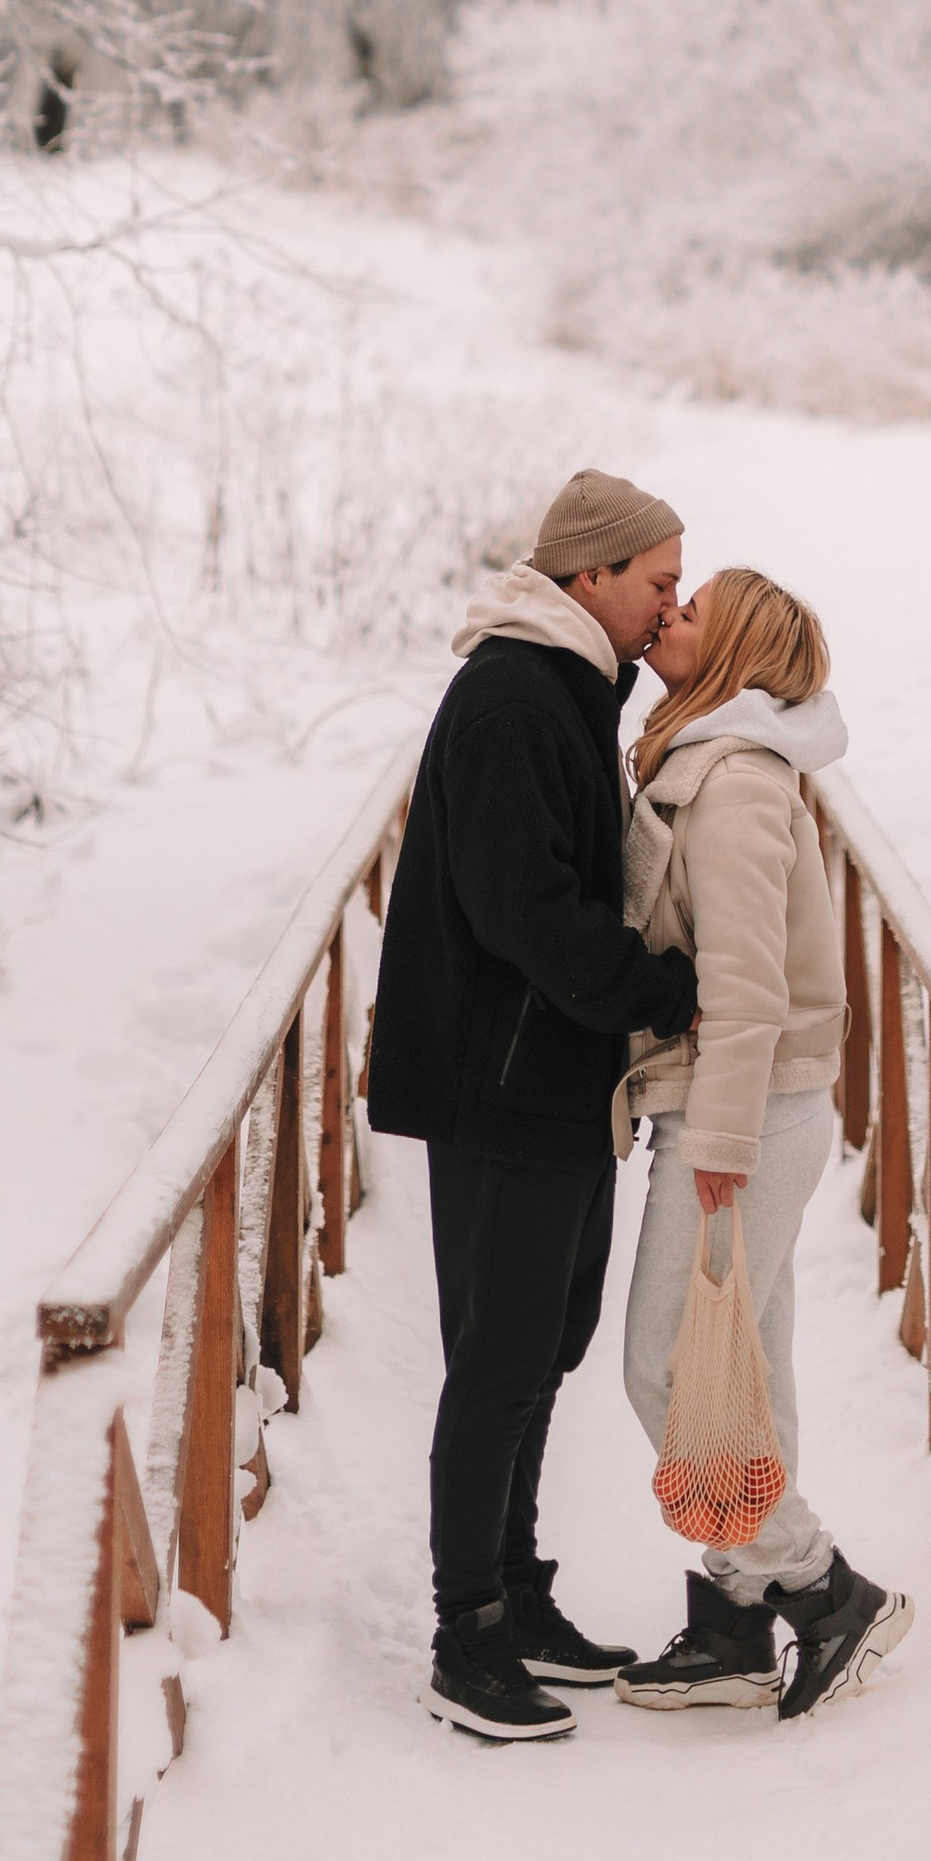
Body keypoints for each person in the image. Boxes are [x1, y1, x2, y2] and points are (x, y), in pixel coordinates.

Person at [367, 469, 700, 1745]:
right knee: (499, 1360)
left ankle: (516, 1595)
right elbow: (524, 907)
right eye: (659, 581)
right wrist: (660, 989)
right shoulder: (515, 695)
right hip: (502, 1076)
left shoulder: (570, 688)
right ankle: (466, 1635)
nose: (670, 600)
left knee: (541, 1346)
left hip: (553, 1071)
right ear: (591, 577)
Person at [612, 567, 913, 1721]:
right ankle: (737, 1622)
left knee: (667, 1363)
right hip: (743, 1100)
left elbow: (743, 980)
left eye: (691, 612)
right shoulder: (707, 760)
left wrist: (720, 1136)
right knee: (747, 1365)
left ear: (730, 649)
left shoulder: (734, 784)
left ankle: (825, 1583)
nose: (667, 618)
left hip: (744, 1106)